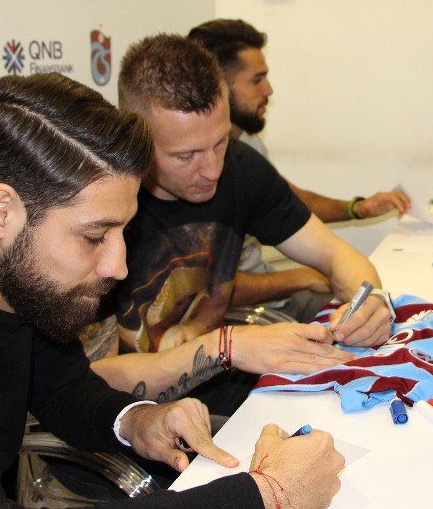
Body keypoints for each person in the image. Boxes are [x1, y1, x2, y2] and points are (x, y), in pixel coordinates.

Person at [0, 73, 344, 507]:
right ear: (0, 212)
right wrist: (266, 496)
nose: (118, 265)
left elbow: (61, 385)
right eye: (95, 236)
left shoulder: (0, 257)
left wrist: (137, 420)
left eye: (123, 232)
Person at [91, 35, 394, 415]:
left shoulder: (240, 167)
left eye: (219, 143)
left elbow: (335, 254)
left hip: (218, 384)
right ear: (136, 140)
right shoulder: (98, 211)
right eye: (187, 156)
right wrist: (228, 346)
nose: (213, 170)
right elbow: (87, 383)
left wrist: (371, 302)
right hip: (132, 418)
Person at [187, 18, 411, 320]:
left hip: (274, 299)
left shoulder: (248, 146)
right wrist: (302, 276)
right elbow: (204, 288)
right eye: (257, 80)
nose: (269, 90)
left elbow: (288, 202)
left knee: (391, 312)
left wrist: (356, 208)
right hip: (235, 317)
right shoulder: (194, 174)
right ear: (219, 88)